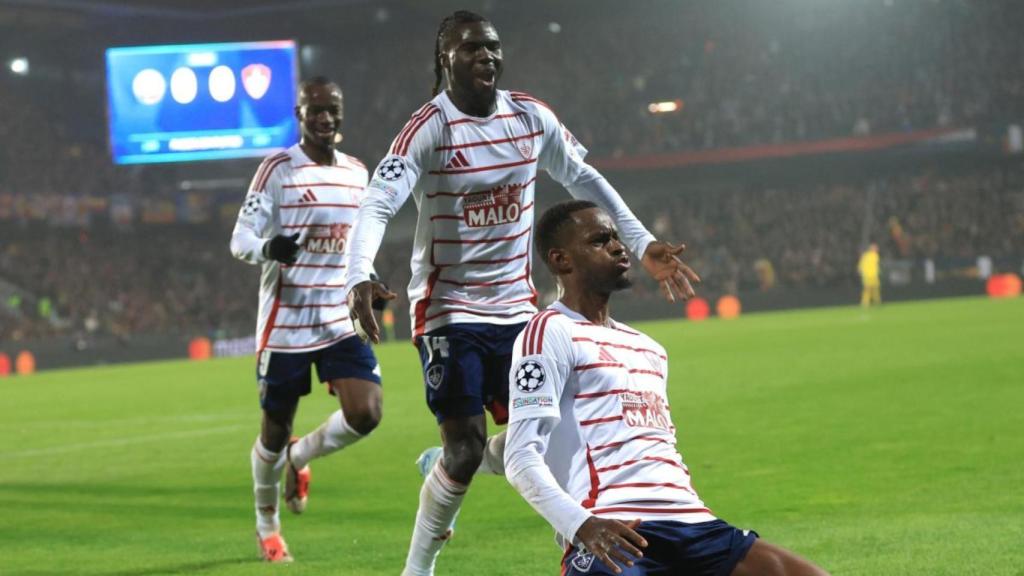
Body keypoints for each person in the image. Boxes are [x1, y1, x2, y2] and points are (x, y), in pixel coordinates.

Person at [344, 11, 698, 576]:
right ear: (445, 59)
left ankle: (458, 473)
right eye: (470, 49)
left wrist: (643, 240)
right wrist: (357, 272)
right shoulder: (428, 128)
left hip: (520, 311)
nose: (485, 56)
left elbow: (583, 178)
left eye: (491, 47)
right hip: (449, 311)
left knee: (553, 442)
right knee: (466, 451)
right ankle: (418, 569)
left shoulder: (530, 117)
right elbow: (378, 201)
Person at [505, 200, 830, 576]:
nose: (618, 246)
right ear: (562, 260)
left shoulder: (650, 349)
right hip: (616, 527)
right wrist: (581, 526)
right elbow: (520, 456)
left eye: (616, 237)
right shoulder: (549, 332)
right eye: (599, 240)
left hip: (696, 526)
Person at [230, 76, 395, 563]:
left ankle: (300, 458)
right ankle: (268, 526)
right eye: (314, 109)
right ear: (299, 114)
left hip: (339, 316)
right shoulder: (277, 169)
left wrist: (371, 280)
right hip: (286, 324)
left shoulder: (358, 173)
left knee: (367, 413)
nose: (324, 117)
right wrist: (267, 248)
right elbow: (239, 238)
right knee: (273, 431)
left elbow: (356, 245)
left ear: (341, 114)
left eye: (332, 109)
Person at [858, 243, 881, 308]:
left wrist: (861, 271)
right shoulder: (875, 256)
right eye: (875, 248)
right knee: (870, 289)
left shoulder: (865, 255)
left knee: (873, 290)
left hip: (870, 275)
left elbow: (860, 266)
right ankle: (868, 303)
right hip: (870, 275)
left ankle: (872, 302)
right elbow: (861, 265)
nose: (877, 249)